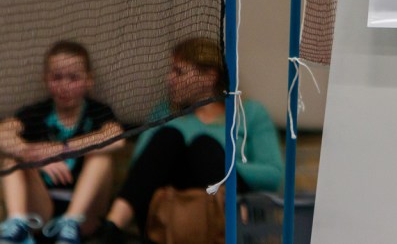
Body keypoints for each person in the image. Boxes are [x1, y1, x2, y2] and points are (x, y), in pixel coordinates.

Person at [98, 37, 283, 243]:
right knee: (170, 137)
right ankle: (111, 229)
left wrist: (222, 163)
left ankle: (233, 233)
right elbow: (141, 167)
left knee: (205, 146)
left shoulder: (249, 113)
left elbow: (272, 174)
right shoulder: (166, 113)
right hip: (169, 215)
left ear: (209, 77)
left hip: (222, 212)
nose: (170, 79)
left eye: (178, 72)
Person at [0, 41, 124, 244]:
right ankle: (17, 226)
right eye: (57, 77)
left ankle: (69, 225)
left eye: (73, 78)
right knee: (11, 158)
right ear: (45, 79)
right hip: (42, 212)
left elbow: (116, 138)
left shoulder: (98, 112)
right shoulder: (36, 113)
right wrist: (32, 154)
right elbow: (2, 133)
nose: (64, 86)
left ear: (89, 80)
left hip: (85, 216)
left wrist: (61, 149)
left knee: (100, 155)